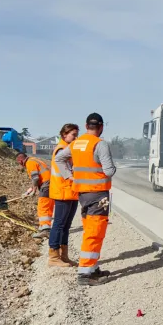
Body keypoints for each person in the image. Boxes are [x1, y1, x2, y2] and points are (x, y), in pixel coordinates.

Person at [56, 113, 116, 286]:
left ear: (86, 125)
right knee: (95, 232)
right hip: (98, 194)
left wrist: (69, 176)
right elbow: (109, 171)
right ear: (101, 127)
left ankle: (93, 268)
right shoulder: (100, 144)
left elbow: (59, 158)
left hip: (83, 194)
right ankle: (85, 273)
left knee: (90, 230)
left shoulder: (76, 143)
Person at [47, 123, 80, 268]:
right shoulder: (61, 149)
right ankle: (53, 257)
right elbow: (67, 172)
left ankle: (64, 256)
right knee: (59, 225)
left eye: (76, 134)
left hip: (70, 192)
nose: (75, 137)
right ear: (64, 135)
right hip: (62, 192)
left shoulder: (68, 149)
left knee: (66, 226)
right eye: (73, 134)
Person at [17, 153, 53, 239]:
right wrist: (29, 191)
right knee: (48, 206)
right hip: (51, 184)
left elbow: (35, 178)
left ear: (21, 161)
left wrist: (34, 190)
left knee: (43, 207)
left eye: (18, 163)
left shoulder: (29, 163)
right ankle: (44, 228)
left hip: (46, 185)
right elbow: (38, 178)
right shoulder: (34, 160)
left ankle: (46, 230)